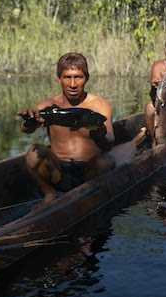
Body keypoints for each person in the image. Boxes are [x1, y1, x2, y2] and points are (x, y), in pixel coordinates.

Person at [16, 53, 115, 206]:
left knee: (106, 161)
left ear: (86, 78)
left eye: (78, 77)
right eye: (67, 77)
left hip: (89, 171)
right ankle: (50, 194)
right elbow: (26, 130)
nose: (73, 84)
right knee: (33, 153)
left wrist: (99, 134)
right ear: (59, 79)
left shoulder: (99, 106)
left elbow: (109, 143)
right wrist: (29, 121)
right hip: (59, 170)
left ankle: (90, 198)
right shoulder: (49, 105)